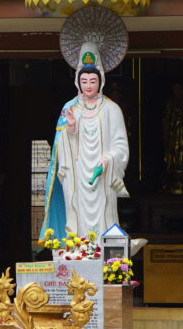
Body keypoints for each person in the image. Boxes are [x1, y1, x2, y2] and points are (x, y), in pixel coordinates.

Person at [39, 41, 130, 241]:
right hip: (77, 174)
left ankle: (104, 252)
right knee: (77, 217)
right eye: (85, 81)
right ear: (78, 81)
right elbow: (61, 148)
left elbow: (121, 145)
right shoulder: (70, 108)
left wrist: (107, 160)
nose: (88, 85)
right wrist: (71, 129)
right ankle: (78, 249)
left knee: (103, 216)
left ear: (101, 80)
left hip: (103, 175)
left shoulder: (111, 109)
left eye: (92, 81)